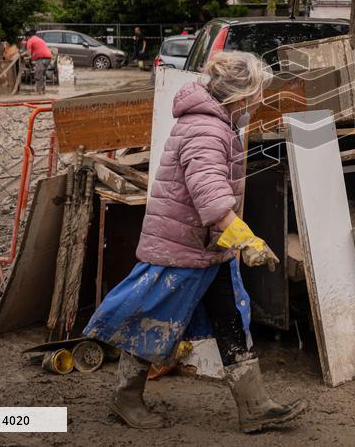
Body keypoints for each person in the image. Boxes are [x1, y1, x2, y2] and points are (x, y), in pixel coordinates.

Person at [84, 51, 305, 433]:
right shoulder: (207, 128)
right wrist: (246, 238)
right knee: (152, 321)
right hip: (181, 249)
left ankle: (254, 407)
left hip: (204, 249)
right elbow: (210, 193)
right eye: (257, 94)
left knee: (232, 316)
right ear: (241, 95)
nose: (259, 101)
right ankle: (126, 398)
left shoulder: (215, 123)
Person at [24, 28, 52, 94]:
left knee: (38, 75)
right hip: (48, 58)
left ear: (27, 36)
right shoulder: (39, 39)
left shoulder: (30, 40)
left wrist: (23, 55)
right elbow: (35, 52)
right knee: (43, 75)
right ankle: (43, 91)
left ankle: (38, 92)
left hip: (41, 58)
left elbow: (28, 53)